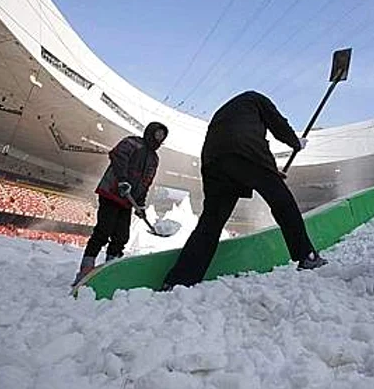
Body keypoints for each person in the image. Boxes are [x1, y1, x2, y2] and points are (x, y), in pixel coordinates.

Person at [162, 91, 326, 290]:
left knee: (210, 223)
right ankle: (306, 255)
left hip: (213, 160)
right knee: (283, 202)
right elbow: (277, 124)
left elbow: (238, 158)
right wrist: (295, 141)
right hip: (245, 150)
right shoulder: (257, 99)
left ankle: (180, 279)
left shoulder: (229, 111)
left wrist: (269, 172)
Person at [72, 121, 168, 286]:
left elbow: (146, 182)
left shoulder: (154, 159)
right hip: (111, 192)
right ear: (150, 132)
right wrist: (123, 180)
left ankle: (110, 268)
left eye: (162, 136)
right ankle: (85, 269)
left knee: (122, 236)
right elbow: (118, 156)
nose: (159, 138)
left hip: (127, 201)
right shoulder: (133, 143)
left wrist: (140, 205)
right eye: (157, 133)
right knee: (103, 230)